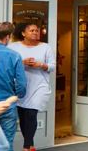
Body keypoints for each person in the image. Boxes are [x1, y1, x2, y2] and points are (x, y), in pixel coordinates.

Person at [10, 23, 55, 151]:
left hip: (40, 86)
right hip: (20, 86)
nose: (35, 32)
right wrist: (22, 62)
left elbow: (52, 66)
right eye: (32, 30)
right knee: (23, 116)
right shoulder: (13, 47)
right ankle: (31, 145)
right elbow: (8, 63)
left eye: (37, 30)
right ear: (23, 33)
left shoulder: (45, 47)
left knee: (31, 113)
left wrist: (41, 65)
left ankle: (26, 147)